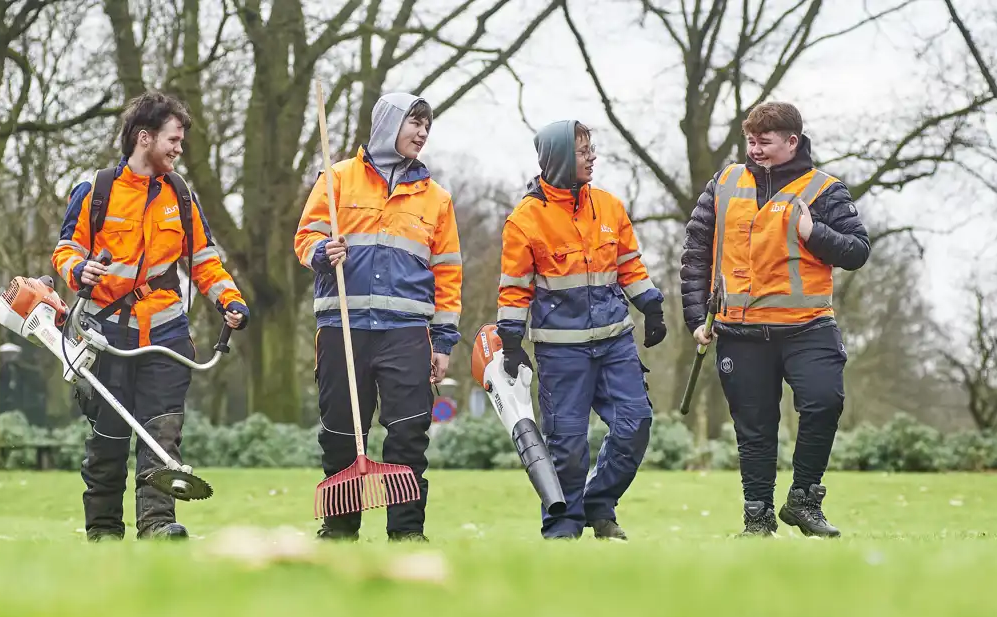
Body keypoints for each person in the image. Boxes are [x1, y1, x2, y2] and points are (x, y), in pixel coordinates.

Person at [52, 92, 249, 542]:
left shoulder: (180, 195)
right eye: (173, 140)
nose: (179, 149)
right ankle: (103, 531)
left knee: (163, 434)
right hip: (105, 333)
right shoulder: (95, 191)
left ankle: (158, 525)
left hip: (166, 332)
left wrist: (230, 301)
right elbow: (66, 250)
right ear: (145, 138)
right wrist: (79, 270)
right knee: (108, 438)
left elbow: (204, 260)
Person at [679, 101, 870, 538]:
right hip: (740, 331)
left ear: (792, 141)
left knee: (824, 402)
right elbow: (696, 251)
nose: (755, 149)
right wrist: (696, 317)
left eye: (764, 142)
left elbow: (857, 251)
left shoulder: (825, 189)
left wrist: (813, 233)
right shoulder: (724, 183)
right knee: (754, 430)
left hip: (808, 327)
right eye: (751, 141)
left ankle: (804, 500)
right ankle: (758, 519)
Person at [294, 92, 461, 542]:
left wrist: (444, 342)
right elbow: (305, 238)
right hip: (342, 328)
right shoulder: (336, 179)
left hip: (407, 334)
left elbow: (448, 274)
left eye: (427, 126)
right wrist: (322, 253)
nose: (422, 133)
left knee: (409, 433)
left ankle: (407, 532)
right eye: (415, 123)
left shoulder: (437, 199)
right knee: (340, 433)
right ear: (389, 124)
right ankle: (339, 529)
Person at [497, 120, 666, 540]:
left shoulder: (609, 207)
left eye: (592, 148)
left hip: (615, 344)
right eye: (583, 151)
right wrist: (511, 342)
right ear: (558, 158)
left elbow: (629, 265)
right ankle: (562, 529)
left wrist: (651, 305)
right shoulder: (524, 220)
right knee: (567, 446)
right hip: (561, 352)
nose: (593, 157)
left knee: (635, 423)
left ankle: (598, 503)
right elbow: (514, 289)